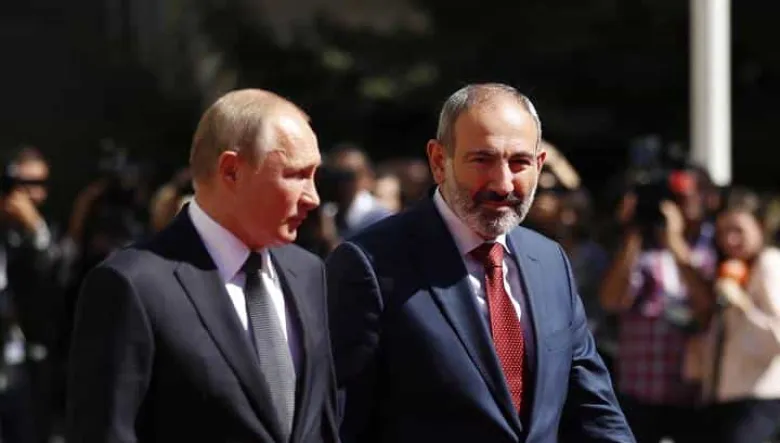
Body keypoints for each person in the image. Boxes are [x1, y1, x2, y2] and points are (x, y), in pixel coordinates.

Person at [326, 83, 633, 443]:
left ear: (539, 165)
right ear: (439, 161)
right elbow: (341, 425)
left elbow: (594, 411)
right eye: (482, 160)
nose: (503, 184)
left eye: (519, 163)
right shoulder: (371, 265)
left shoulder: (550, 262)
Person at [67, 89, 339, 443]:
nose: (313, 197)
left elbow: (323, 422)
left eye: (314, 174)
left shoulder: (309, 273)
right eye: (295, 174)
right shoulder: (132, 286)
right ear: (231, 171)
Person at [683, 188, 780, 443]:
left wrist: (741, 304)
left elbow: (777, 337)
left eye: (738, 230)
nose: (730, 240)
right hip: (722, 399)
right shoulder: (733, 269)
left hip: (758, 399)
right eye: (723, 232)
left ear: (760, 227)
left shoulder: (769, 264)